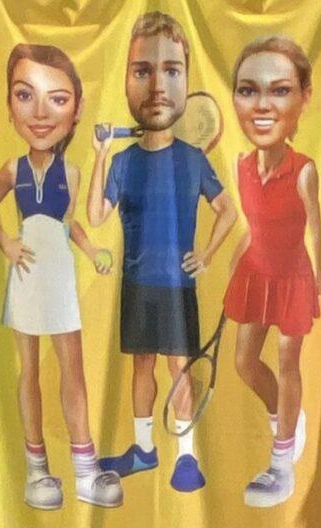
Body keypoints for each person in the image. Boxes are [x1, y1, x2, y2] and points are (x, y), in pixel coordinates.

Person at [88, 10, 237, 493]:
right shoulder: (124, 161)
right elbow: (95, 215)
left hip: (177, 285)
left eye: (171, 71)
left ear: (186, 80)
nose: (156, 85)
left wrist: (207, 255)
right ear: (128, 79)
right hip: (137, 283)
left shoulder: (193, 159)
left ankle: (186, 458)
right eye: (142, 71)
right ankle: (143, 450)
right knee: (141, 365)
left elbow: (228, 210)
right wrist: (99, 156)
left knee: (179, 368)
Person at [0, 43, 123, 510]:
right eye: (26, 96)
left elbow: (70, 223)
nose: (40, 113)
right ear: (10, 106)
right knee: (30, 370)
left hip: (58, 274)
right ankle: (37, 468)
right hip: (26, 275)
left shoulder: (73, 173)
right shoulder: (13, 168)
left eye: (56, 99)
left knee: (72, 368)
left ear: (75, 112)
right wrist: (6, 242)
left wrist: (93, 251)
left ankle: (84, 468)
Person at [225, 35, 321, 508]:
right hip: (255, 273)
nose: (263, 105)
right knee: (244, 364)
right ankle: (285, 417)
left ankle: (281, 461)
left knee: (289, 362)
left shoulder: (305, 169)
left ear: (303, 98)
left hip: (292, 278)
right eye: (249, 90)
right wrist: (234, 263)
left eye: (280, 90)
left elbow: (315, 226)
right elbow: (253, 227)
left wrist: (320, 271)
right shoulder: (241, 166)